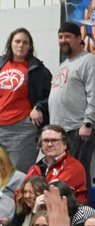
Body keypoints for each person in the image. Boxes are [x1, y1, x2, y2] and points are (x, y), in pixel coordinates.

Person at [48, 22, 95, 190]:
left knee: (77, 175)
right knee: (64, 177)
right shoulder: (63, 65)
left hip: (79, 128)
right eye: (60, 37)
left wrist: (87, 123)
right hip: (62, 131)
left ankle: (83, 213)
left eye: (67, 36)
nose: (63, 40)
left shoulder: (90, 61)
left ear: (79, 39)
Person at [0, 28, 52, 173]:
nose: (21, 45)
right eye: (17, 41)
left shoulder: (38, 69)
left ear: (30, 46)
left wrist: (39, 107)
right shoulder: (2, 64)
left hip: (23, 129)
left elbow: (53, 95)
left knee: (17, 176)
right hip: (1, 124)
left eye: (25, 42)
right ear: (11, 43)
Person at [24, 124, 87, 204]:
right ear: (41, 145)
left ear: (65, 144)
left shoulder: (74, 167)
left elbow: (55, 193)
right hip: (37, 212)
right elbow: (21, 193)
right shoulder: (35, 168)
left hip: (68, 213)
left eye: (54, 140)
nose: (49, 144)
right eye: (46, 141)